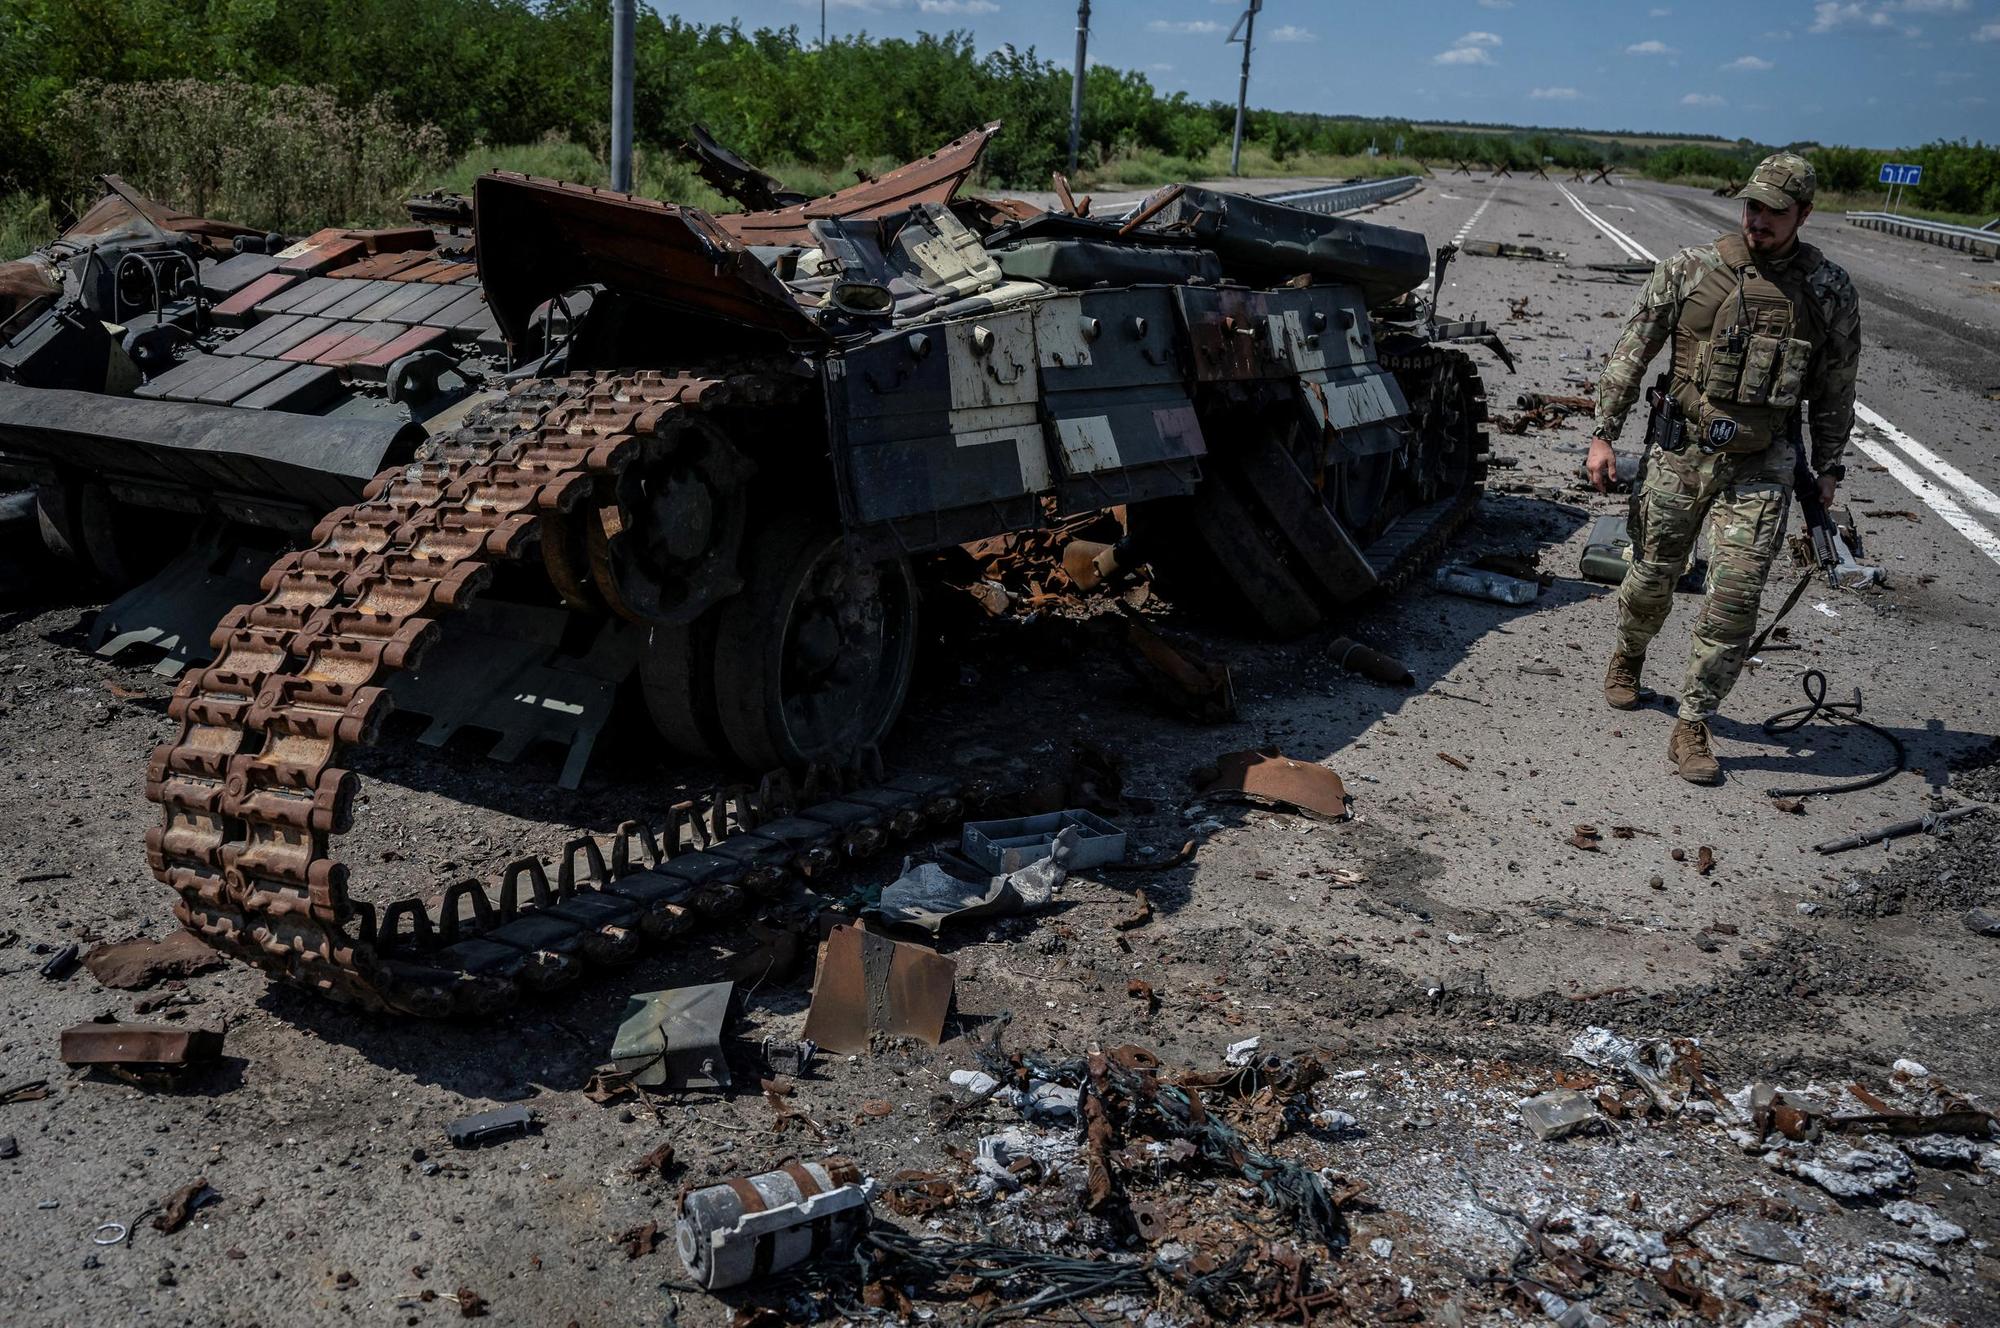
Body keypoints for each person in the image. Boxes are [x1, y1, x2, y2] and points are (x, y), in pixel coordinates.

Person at [1585, 152, 1860, 784]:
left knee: (1735, 598)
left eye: (1774, 211)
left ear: (1804, 215)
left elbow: (1837, 384)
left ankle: (1693, 721)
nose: (1758, 220)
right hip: (1681, 453)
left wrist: (1829, 465)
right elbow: (1634, 349)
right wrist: (1603, 434)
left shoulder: (1827, 290)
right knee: (1654, 574)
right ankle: (1629, 655)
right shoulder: (1689, 269)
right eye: (1752, 206)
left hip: (1763, 462)